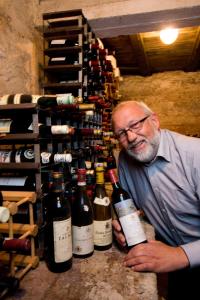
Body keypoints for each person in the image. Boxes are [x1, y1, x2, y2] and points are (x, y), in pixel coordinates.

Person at [111, 100, 200, 300]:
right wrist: (121, 224)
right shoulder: (125, 160)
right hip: (175, 269)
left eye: (136, 125)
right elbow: (129, 207)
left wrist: (180, 255)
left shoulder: (195, 154)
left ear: (154, 120)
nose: (131, 137)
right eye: (122, 133)